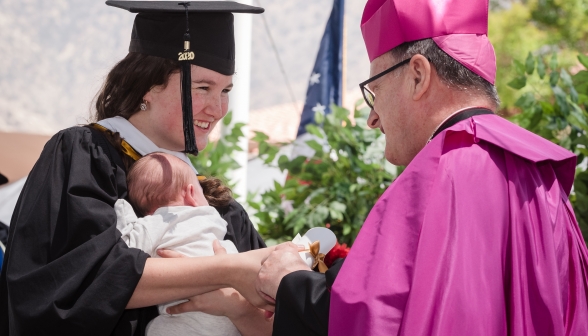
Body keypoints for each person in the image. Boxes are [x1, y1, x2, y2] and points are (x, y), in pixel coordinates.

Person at [243, 0, 588, 335]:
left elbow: (376, 319)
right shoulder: (542, 176)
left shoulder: (444, 171)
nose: (372, 118)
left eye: (374, 91)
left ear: (418, 75)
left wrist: (290, 281)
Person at [0, 1, 273, 335]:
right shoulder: (84, 157)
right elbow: (75, 282)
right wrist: (227, 270)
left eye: (226, 90)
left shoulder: (219, 208)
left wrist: (242, 305)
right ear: (148, 86)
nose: (217, 109)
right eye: (203, 87)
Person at [115, 152, 241, 336]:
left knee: (155, 328)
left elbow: (128, 246)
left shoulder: (156, 224)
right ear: (191, 193)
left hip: (187, 321)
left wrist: (122, 210)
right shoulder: (213, 220)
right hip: (230, 318)